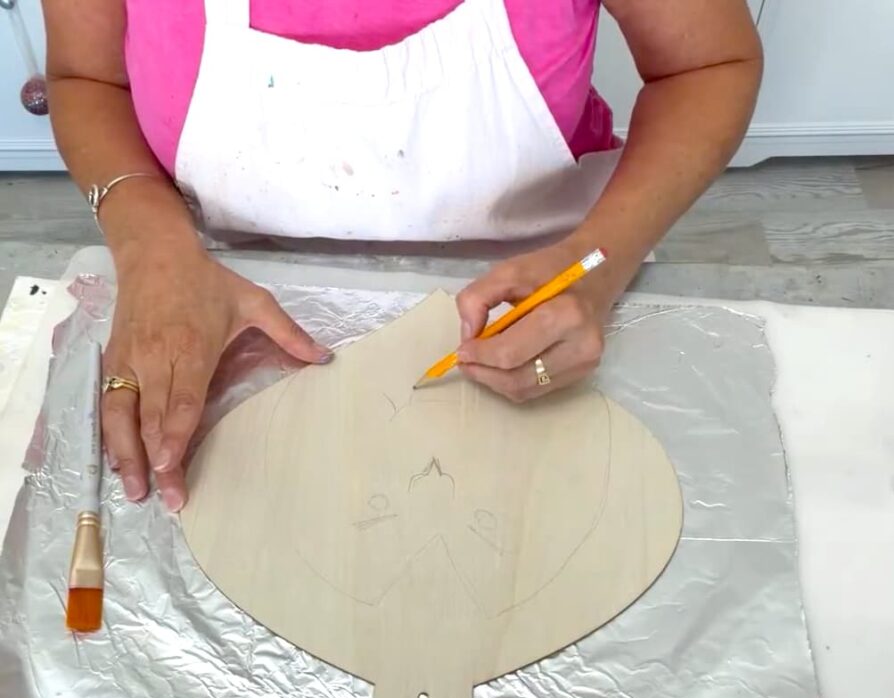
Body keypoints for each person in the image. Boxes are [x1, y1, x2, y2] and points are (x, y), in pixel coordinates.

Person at [44, 0, 762, 512]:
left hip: (545, 287)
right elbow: (86, 77)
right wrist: (154, 251)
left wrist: (597, 263)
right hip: (215, 277)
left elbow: (706, 64)